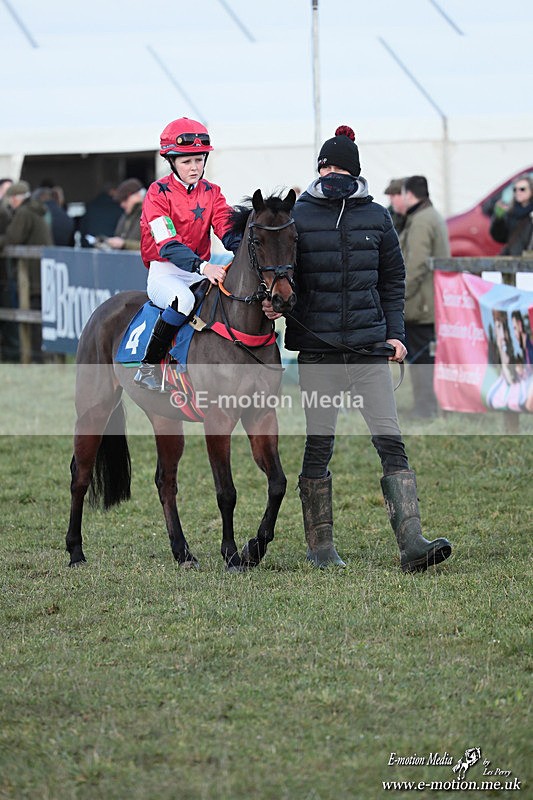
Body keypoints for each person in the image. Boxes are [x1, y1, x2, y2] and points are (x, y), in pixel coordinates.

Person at [264, 125, 452, 573]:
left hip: (370, 349)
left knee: (391, 442)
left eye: (339, 167)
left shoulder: (378, 216)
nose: (331, 173)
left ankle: (412, 544)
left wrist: (397, 334)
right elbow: (285, 276)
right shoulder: (300, 215)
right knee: (319, 445)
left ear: (354, 173)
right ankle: (321, 547)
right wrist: (277, 306)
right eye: (325, 166)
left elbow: (393, 279)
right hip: (319, 352)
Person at [135, 117, 242, 391]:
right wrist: (204, 267)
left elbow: (226, 228)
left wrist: (243, 248)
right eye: (186, 161)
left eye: (198, 160)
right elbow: (167, 244)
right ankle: (148, 367)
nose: (194, 167)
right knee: (182, 300)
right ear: (171, 162)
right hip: (165, 271)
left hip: (198, 271)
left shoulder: (212, 192)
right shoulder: (157, 194)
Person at [400, 175, 450, 418]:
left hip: (421, 303)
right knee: (423, 356)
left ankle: (424, 408)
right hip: (428, 300)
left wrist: (401, 294)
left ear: (410, 195)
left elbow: (416, 264)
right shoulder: (432, 215)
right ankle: (425, 406)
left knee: (421, 359)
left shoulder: (421, 221)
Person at [490, 176, 533, 255]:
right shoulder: (511, 213)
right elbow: (500, 238)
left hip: (529, 260)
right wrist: (498, 219)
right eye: (515, 189)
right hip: (514, 260)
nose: (518, 192)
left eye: (522, 189)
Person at [106, 178, 144, 251]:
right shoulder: (125, 217)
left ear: (137, 195)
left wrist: (124, 244)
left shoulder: (150, 214)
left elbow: (155, 247)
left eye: (125, 199)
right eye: (121, 201)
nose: (122, 204)